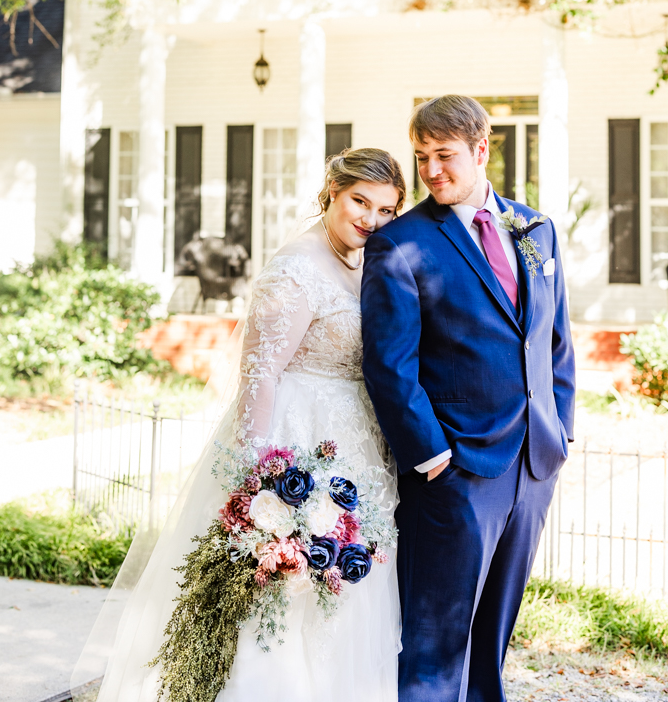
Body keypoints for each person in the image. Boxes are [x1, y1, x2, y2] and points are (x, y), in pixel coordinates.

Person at [89, 147, 405, 702]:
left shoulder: (362, 261)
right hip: (295, 444)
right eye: (361, 202)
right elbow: (261, 375)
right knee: (284, 591)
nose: (371, 220)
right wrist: (262, 483)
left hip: (352, 444)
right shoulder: (296, 267)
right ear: (332, 190)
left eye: (385, 210)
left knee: (346, 586)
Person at [361, 95, 575, 702]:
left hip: (533, 464)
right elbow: (388, 365)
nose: (431, 171)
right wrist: (431, 457)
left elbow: (555, 338)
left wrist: (561, 433)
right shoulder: (400, 245)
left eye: (445, 156)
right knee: (434, 649)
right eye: (421, 157)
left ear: (481, 150)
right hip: (453, 473)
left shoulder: (534, 230)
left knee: (492, 643)